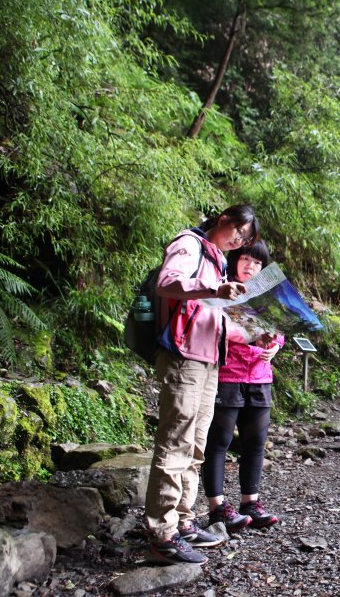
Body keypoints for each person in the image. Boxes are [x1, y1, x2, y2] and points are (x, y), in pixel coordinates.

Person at [145, 205, 260, 565]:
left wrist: (255, 334)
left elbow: (213, 316)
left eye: (245, 239)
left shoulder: (218, 260)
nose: (238, 241)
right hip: (184, 356)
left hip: (210, 360)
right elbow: (168, 282)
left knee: (196, 445)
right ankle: (161, 533)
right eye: (238, 233)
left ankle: (183, 520)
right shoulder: (190, 245)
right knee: (175, 440)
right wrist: (214, 287)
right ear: (223, 220)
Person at [202, 241, 282, 533]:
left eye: (258, 263)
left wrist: (276, 346)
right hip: (228, 374)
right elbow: (212, 325)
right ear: (235, 260)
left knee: (255, 444)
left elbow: (280, 330)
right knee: (219, 442)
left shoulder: (268, 297)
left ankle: (251, 503)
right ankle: (217, 509)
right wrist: (247, 335)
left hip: (260, 377)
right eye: (246, 259)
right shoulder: (222, 289)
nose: (251, 266)